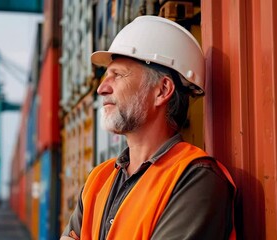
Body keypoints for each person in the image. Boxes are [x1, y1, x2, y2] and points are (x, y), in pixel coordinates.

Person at [60, 15, 236, 240]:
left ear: (162, 90)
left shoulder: (196, 180)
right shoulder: (98, 179)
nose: (102, 88)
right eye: (106, 76)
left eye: (118, 75)